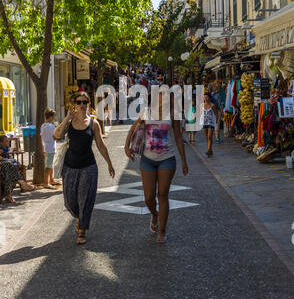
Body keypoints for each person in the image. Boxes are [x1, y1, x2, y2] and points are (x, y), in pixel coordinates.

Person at [124, 90, 189, 243]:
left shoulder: (173, 114)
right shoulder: (146, 112)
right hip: (147, 159)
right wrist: (127, 147)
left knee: (163, 194)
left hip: (167, 159)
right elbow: (133, 129)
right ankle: (154, 214)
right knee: (148, 197)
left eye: (166, 95)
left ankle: (162, 230)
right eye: (161, 94)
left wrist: (184, 161)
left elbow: (179, 138)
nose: (163, 97)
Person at [54, 91, 115, 245]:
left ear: (88, 104)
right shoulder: (70, 122)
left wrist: (109, 163)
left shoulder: (94, 124)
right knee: (70, 202)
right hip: (70, 166)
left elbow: (100, 144)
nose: (82, 105)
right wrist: (67, 118)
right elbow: (56, 135)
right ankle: (79, 218)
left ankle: (82, 231)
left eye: (84, 102)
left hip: (88, 166)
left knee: (86, 199)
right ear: (74, 104)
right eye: (79, 102)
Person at [0, 135, 37, 203]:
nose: (7, 142)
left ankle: (8, 195)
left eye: (8, 141)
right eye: (6, 141)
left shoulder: (7, 148)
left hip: (5, 166)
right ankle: (22, 184)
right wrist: (4, 159)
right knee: (9, 166)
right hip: (3, 165)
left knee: (9, 171)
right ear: (1, 143)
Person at [41, 108, 61, 189]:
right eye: (53, 116)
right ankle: (46, 182)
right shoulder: (52, 126)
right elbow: (55, 136)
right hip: (51, 147)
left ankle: (51, 179)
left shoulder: (43, 125)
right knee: (48, 165)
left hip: (46, 146)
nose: (53, 118)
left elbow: (41, 137)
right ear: (51, 117)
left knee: (50, 164)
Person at [201, 91, 218, 157]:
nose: (206, 98)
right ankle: (210, 150)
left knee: (209, 136)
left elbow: (217, 113)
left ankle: (209, 150)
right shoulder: (202, 105)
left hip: (211, 122)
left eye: (207, 97)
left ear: (209, 98)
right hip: (204, 122)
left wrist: (216, 121)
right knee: (206, 137)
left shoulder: (212, 105)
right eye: (204, 97)